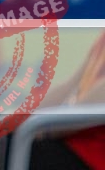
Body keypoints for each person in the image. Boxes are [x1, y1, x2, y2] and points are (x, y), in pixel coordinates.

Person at [30, 28, 105, 169]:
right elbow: (73, 83)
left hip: (91, 157)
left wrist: (43, 127)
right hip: (72, 147)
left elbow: (64, 124)